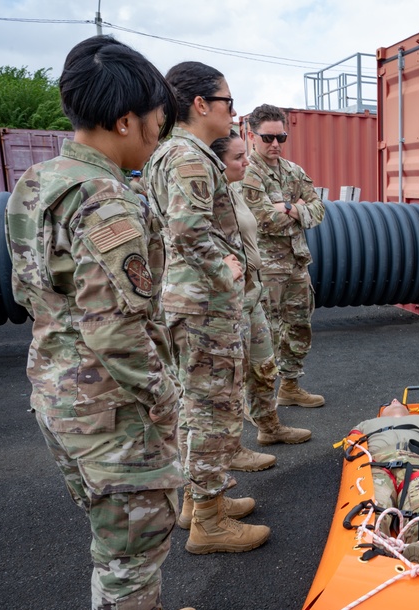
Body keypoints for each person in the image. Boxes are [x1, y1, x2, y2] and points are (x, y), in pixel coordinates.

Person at [5, 35, 208, 610]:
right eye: (154, 120)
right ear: (125, 120)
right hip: (111, 409)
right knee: (129, 549)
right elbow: (117, 329)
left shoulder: (38, 182)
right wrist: (166, 397)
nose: (158, 133)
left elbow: (27, 289)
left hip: (57, 394)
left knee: (120, 532)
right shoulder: (105, 200)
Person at [146, 62, 270, 555]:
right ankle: (210, 524)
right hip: (204, 306)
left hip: (187, 303)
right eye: (227, 102)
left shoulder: (165, 153)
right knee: (213, 411)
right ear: (201, 105)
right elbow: (188, 230)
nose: (232, 111)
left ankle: (200, 504)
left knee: (196, 408)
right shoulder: (191, 156)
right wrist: (228, 273)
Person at [209, 131, 313, 455]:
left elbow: (313, 208)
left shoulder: (233, 190)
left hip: (252, 288)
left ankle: (269, 427)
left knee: (263, 364)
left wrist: (292, 210)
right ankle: (231, 450)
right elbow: (181, 238)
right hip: (230, 294)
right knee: (231, 376)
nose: (246, 161)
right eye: (238, 157)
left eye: (244, 155)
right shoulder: (207, 194)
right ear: (217, 162)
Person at [240, 104, 326, 409]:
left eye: (281, 137)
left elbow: (319, 209)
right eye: (268, 138)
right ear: (252, 135)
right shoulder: (246, 173)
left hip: (296, 264)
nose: (275, 144)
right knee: (267, 335)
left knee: (299, 326)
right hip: (265, 270)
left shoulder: (293, 171)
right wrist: (297, 212)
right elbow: (263, 219)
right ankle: (261, 405)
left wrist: (290, 209)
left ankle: (290, 386)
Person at [348, 399, 419, 563]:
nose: (395, 400)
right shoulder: (366, 424)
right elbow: (353, 443)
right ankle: (374, 543)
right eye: (388, 402)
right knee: (374, 505)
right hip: (378, 463)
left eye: (401, 402)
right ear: (381, 413)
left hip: (418, 462)